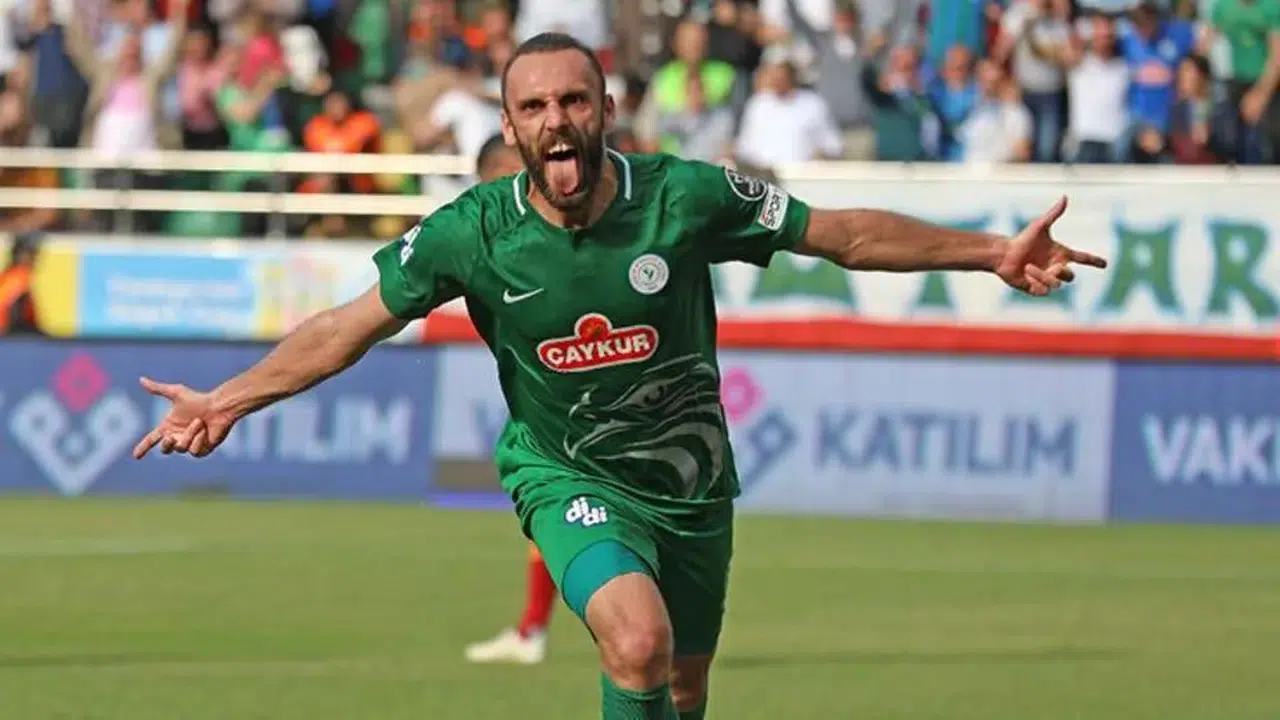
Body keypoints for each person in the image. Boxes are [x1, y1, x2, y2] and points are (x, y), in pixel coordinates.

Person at [132, 32, 1107, 720]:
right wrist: (227, 399)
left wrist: (989, 251)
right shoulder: (472, 233)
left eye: (572, 101)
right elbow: (347, 326)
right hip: (566, 474)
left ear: (604, 110)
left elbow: (840, 235)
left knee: (680, 685)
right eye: (533, 107)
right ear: (509, 125)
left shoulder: (684, 196)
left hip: (691, 484)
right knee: (635, 643)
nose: (554, 121)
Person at [463, 134, 559, 666]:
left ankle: (533, 632)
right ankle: (531, 630)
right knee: (548, 519)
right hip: (546, 401)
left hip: (583, 405)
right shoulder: (486, 234)